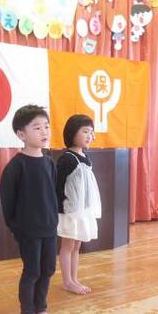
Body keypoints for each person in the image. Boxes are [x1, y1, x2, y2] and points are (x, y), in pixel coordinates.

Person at [0, 105, 58, 314]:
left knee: (48, 269)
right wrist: (17, 228)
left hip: (49, 228)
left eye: (46, 126)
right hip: (29, 231)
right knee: (32, 271)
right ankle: (27, 311)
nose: (44, 131)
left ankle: (41, 307)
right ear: (21, 134)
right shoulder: (16, 166)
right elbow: (8, 201)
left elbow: (52, 195)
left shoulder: (49, 162)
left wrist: (53, 220)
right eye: (37, 127)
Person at [56, 114, 101, 295]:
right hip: (70, 211)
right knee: (67, 246)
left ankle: (74, 279)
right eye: (85, 131)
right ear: (72, 132)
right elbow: (58, 186)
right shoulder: (67, 158)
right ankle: (67, 281)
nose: (89, 135)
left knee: (76, 246)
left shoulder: (85, 157)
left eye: (91, 132)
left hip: (82, 211)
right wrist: (61, 208)